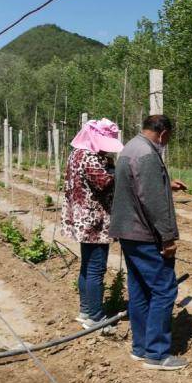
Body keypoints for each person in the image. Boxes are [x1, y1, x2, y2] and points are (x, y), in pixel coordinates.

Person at [110, 114, 189, 371]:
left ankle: (141, 347)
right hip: (144, 233)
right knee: (164, 289)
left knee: (140, 289)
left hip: (127, 231)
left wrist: (167, 186)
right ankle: (156, 353)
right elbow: (153, 202)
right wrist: (167, 238)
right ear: (163, 133)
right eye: (168, 139)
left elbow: (139, 187)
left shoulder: (129, 148)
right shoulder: (148, 154)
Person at [61, 118, 124, 330]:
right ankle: (96, 318)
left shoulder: (76, 154)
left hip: (82, 218)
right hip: (94, 220)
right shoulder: (89, 156)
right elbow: (103, 183)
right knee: (96, 268)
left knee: (87, 266)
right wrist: (119, 171)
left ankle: (86, 310)